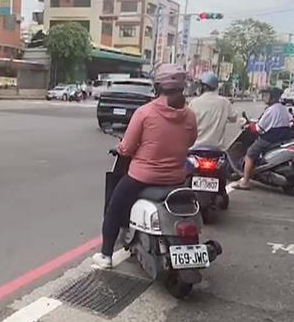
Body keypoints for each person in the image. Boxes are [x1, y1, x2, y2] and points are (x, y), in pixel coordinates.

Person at [93, 64, 197, 269]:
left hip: (142, 178)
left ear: (157, 86)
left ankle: (106, 256)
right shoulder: (190, 115)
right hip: (177, 178)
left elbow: (128, 147)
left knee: (113, 209)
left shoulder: (145, 112)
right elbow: (191, 142)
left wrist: (120, 148)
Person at [235, 87, 293, 190]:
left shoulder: (271, 110)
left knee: (250, 154)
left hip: (269, 139)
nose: (264, 97)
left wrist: (248, 126)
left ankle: (245, 181)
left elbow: (259, 128)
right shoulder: (282, 109)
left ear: (273, 97)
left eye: (267, 95)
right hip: (282, 138)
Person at [189, 71, 236, 148]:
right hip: (217, 149)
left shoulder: (194, 103)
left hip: (196, 148)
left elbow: (188, 124)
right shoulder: (224, 102)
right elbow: (234, 118)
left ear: (203, 87)